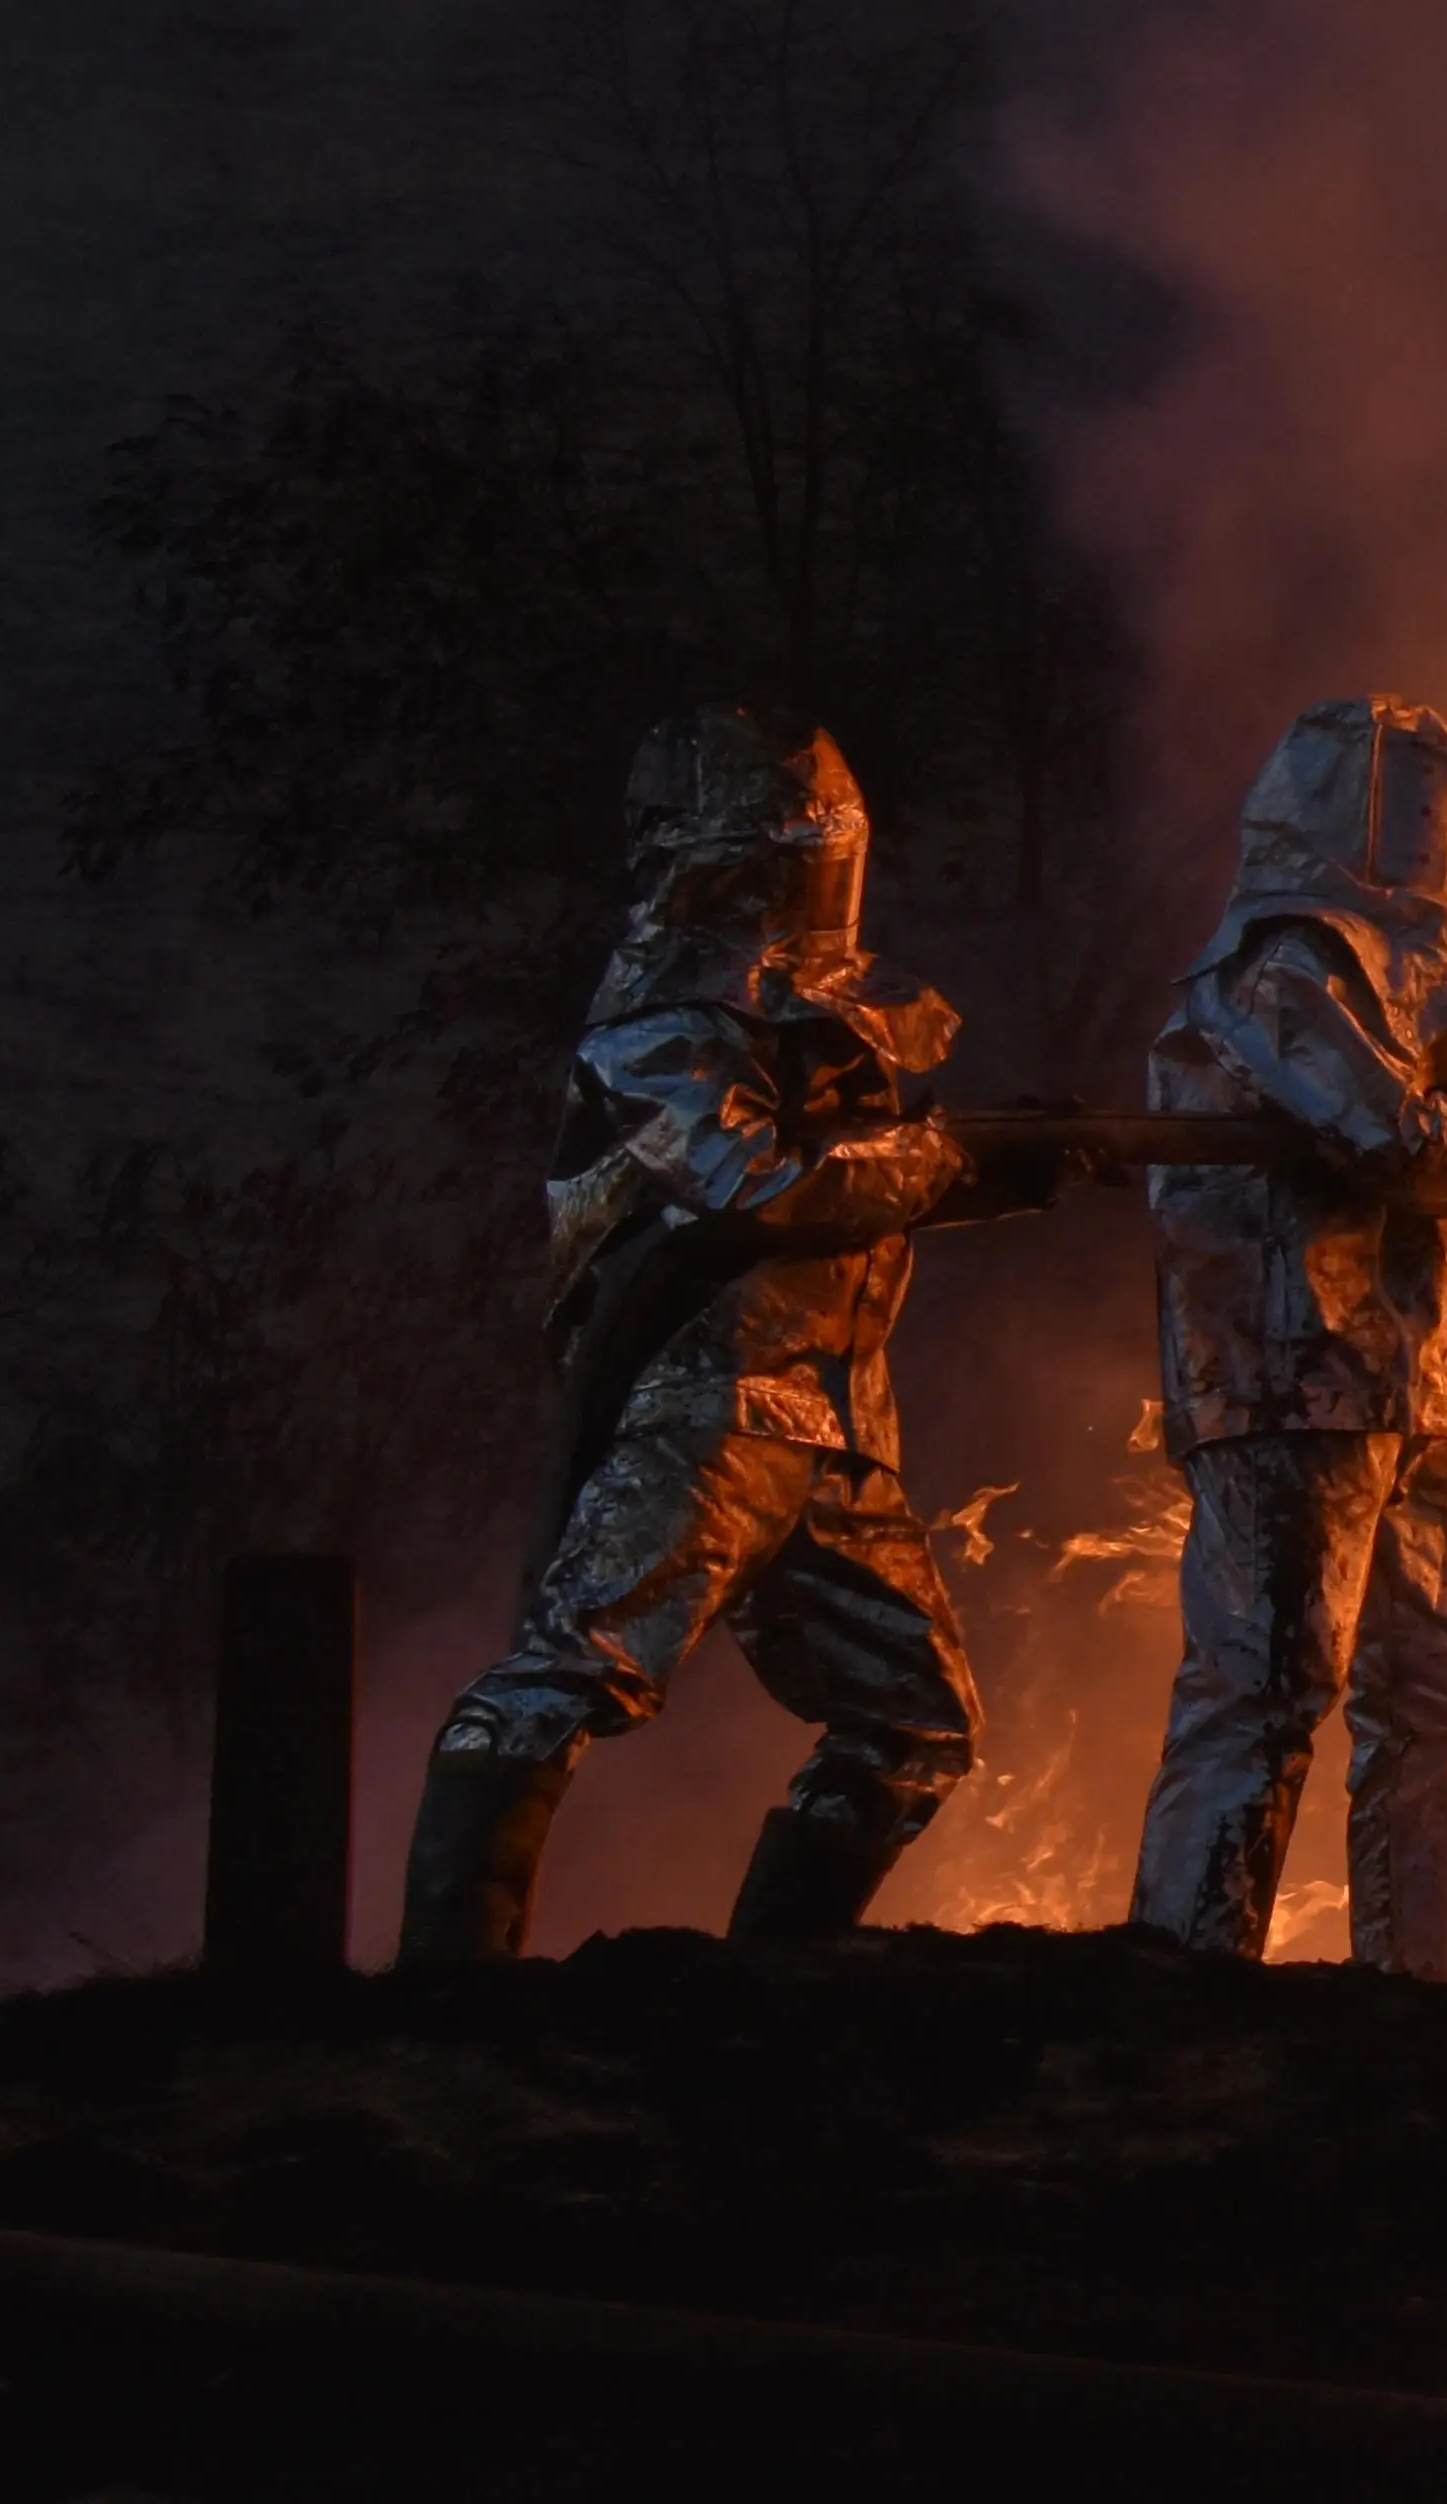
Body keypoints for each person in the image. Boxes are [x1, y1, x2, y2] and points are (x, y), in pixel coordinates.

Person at [398, 712, 1055, 1963]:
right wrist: (943, 1159)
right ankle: (449, 1982)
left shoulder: (784, 1017)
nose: (810, 893)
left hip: (830, 1424)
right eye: (790, 865)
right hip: (704, 1409)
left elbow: (846, 1176)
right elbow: (755, 1183)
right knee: (572, 1668)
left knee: (911, 1719)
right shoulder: (655, 1024)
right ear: (732, 866)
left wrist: (1000, 1168)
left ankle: (771, 1989)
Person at [1127, 696, 1447, 1977]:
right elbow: (1397, 1139)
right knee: (1264, 1684)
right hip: (1295, 1365)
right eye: (1406, 799)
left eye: (1443, 800)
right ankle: (1184, 1987)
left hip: (1432, 1384)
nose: (1430, 831)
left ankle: (1433, 1995)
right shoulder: (1284, 962)